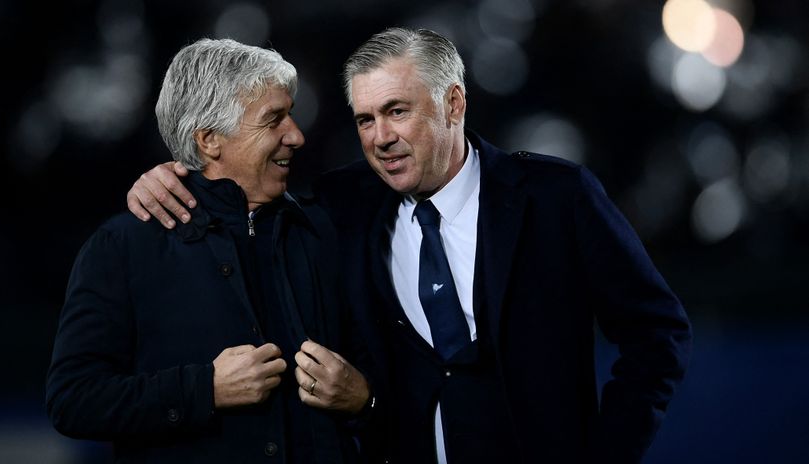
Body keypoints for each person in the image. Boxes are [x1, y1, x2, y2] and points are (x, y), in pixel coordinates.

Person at [126, 28, 692, 463]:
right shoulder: (345, 204)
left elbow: (657, 334)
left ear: (454, 103)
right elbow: (245, 187)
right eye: (364, 120)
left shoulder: (556, 197)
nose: (380, 138)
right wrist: (171, 176)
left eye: (397, 111)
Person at [46, 38, 373, 464]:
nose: (296, 135)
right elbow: (73, 401)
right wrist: (205, 389)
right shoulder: (124, 247)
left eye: (290, 114)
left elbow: (390, 374)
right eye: (273, 119)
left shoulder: (325, 231)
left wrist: (364, 399)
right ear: (209, 140)